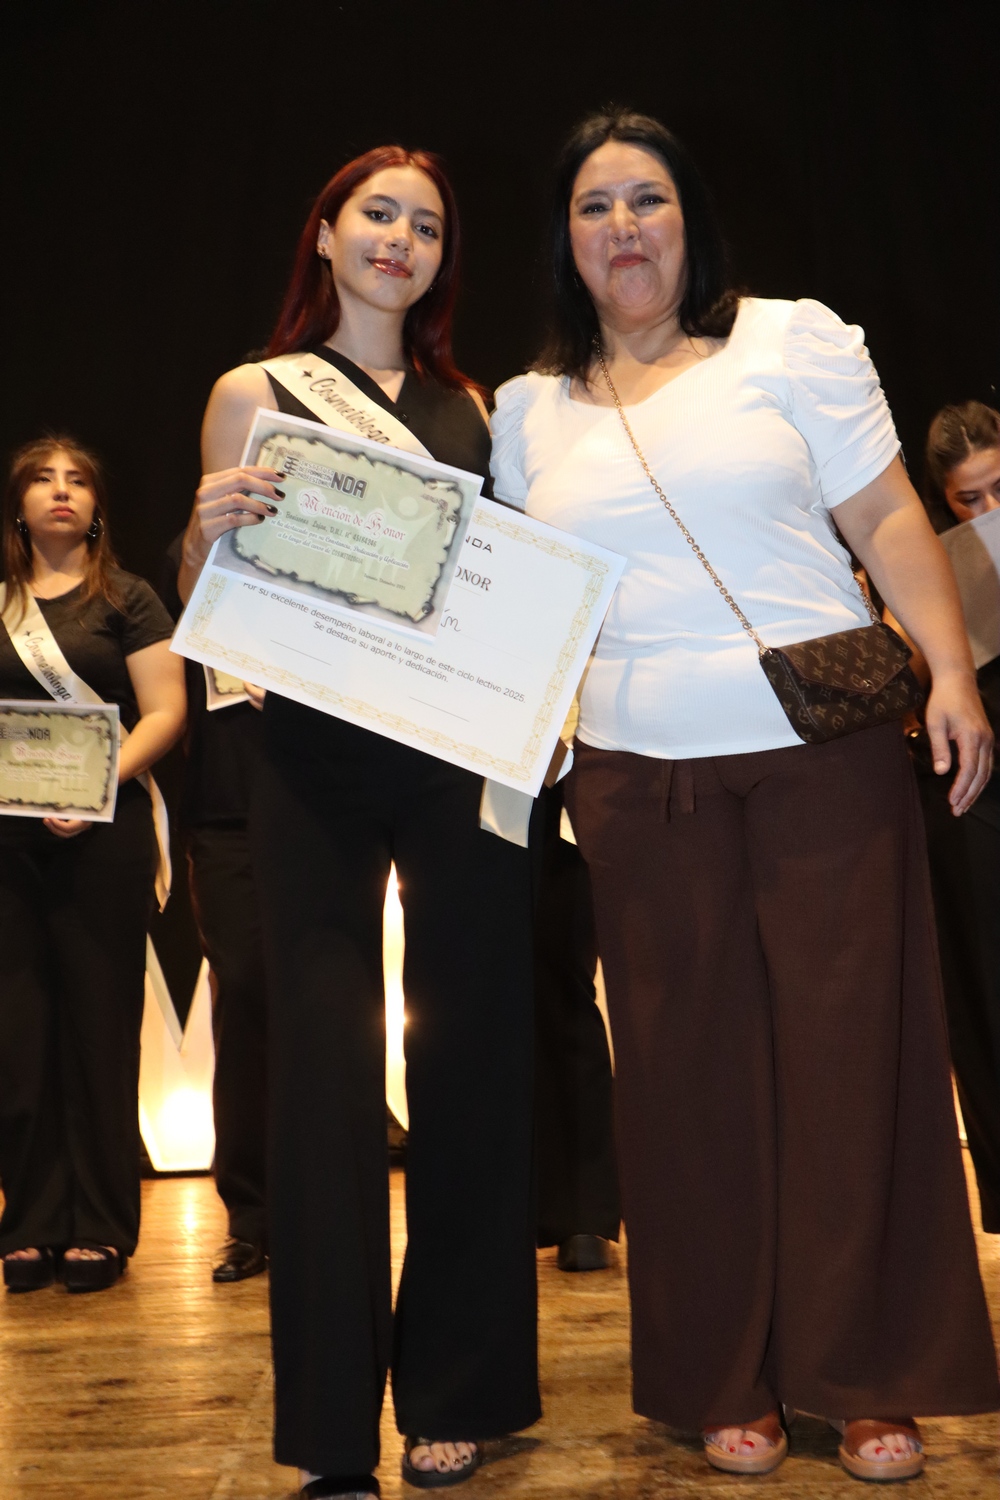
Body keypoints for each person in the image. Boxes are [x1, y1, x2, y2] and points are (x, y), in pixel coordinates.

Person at [490, 108, 1000, 1483]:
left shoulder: (793, 343)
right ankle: (727, 1376)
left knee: (853, 1065)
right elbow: (524, 606)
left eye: (646, 199)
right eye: (594, 207)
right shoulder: (530, 411)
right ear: (565, 242)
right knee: (685, 1086)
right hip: (635, 781)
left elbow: (886, 518)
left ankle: (865, 1375)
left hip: (824, 761)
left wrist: (952, 675)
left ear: (690, 220)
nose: (623, 228)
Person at [179, 148, 540, 1499]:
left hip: (455, 756)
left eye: (427, 225)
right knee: (322, 1083)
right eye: (378, 214)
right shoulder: (253, 391)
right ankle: (331, 1430)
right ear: (325, 234)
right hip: (308, 759)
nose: (401, 239)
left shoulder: (473, 408)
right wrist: (202, 531)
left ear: (444, 258)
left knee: (470, 1063)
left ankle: (460, 1393)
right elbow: (212, 590)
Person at [0, 437, 185, 1293]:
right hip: (9, 845)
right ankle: (31, 1223)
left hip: (104, 834)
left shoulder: (130, 598)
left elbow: (165, 712)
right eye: (43, 480)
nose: (61, 492)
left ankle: (102, 1225)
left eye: (78, 480)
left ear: (98, 506)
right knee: (19, 1035)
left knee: (101, 1029)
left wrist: (96, 783)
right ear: (18, 505)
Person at [896, 402, 1000, 1235]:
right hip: (975, 792)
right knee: (985, 992)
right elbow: (902, 668)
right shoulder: (930, 562)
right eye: (970, 500)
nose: (989, 511)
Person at [160, 536, 268, 1283]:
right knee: (247, 999)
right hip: (227, 816)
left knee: (327, 1009)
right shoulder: (204, 545)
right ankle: (252, 1217)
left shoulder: (343, 548)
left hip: (327, 814)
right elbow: (188, 570)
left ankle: (325, 1208)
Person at [533, 781, 620, 1270]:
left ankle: (581, 1211)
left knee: (560, 977)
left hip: (558, 772)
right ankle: (571, 1212)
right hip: (468, 764)